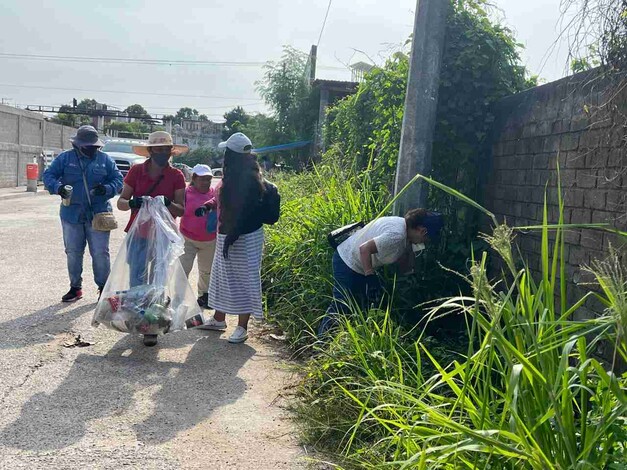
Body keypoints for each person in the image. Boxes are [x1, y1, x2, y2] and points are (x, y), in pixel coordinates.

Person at [198, 132, 280, 343]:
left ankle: (242, 327)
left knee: (245, 279)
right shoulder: (235, 178)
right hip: (229, 234)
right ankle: (219, 319)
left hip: (247, 237)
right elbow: (220, 202)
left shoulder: (247, 180)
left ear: (230, 155)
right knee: (221, 276)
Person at [317, 209, 444, 336]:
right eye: (426, 238)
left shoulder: (404, 232)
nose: (425, 242)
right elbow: (364, 249)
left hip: (358, 264)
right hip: (347, 260)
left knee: (359, 306)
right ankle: (321, 343)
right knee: (341, 304)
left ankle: (345, 339)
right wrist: (370, 277)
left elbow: (405, 267)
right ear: (423, 231)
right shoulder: (396, 235)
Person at [117, 131, 187, 346]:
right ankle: (138, 319)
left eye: (166, 149)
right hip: (138, 235)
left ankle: (152, 326)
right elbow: (121, 202)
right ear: (150, 151)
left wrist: (167, 203)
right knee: (138, 281)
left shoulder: (176, 176)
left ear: (170, 151)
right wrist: (133, 203)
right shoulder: (137, 172)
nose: (162, 153)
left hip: (162, 237)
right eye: (158, 149)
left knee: (158, 281)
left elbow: (181, 209)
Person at [43, 125, 123, 303]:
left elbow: (118, 180)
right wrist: (59, 188)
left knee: (101, 252)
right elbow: (48, 175)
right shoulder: (65, 159)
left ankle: (103, 288)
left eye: (95, 147)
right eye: (88, 147)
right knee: (73, 252)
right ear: (78, 145)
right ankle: (75, 288)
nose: (92, 150)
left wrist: (107, 188)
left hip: (98, 213)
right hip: (72, 213)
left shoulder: (105, 160)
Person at [179, 164, 217, 308]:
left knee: (206, 270)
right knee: (183, 269)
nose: (206, 182)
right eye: (202, 179)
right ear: (194, 178)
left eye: (208, 179)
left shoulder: (215, 194)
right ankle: (178, 296)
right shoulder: (185, 193)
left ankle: (204, 296)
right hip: (187, 238)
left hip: (209, 240)